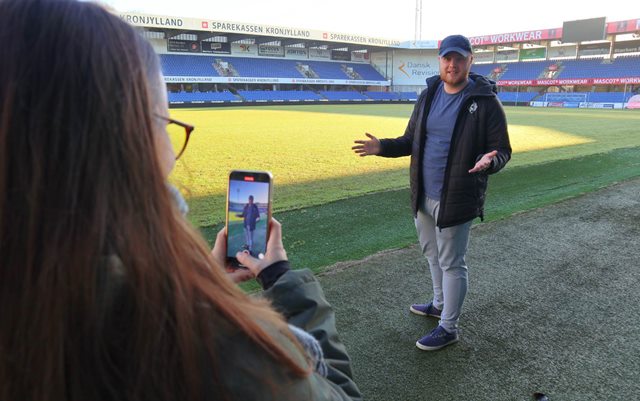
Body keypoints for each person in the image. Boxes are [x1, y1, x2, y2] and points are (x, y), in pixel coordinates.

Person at [0, 1, 361, 400]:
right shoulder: (218, 351)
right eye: (163, 122)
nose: (172, 156)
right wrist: (278, 280)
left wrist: (189, 284)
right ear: (124, 136)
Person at [352, 34, 511, 351]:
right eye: (447, 58)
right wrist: (382, 146)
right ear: (440, 61)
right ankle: (438, 303)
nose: (452, 64)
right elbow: (410, 140)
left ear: (470, 61)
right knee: (432, 254)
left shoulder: (485, 102)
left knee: (452, 262)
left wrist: (491, 161)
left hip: (458, 195)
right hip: (423, 194)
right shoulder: (428, 95)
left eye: (459, 58)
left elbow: (502, 150)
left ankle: (448, 327)